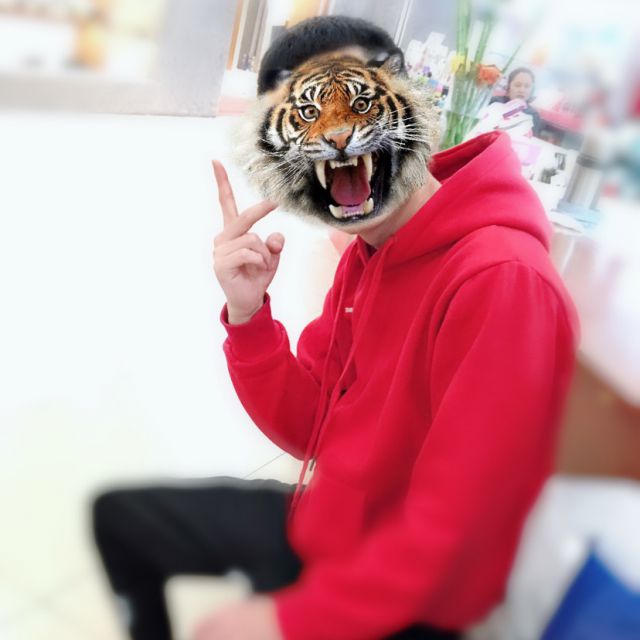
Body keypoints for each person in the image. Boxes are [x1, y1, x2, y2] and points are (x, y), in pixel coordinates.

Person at [91, 16, 578, 640]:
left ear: (414, 105)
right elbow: (309, 428)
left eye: (359, 101)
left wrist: (290, 621)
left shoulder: (503, 281)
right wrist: (249, 317)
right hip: (329, 532)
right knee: (121, 519)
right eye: (307, 115)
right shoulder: (371, 249)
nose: (339, 134)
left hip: (410, 597)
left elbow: (462, 534)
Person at [490, 67, 542, 136]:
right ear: (508, 86)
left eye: (527, 86)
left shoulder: (533, 115)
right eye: (517, 85)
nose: (522, 90)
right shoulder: (495, 102)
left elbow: (531, 139)